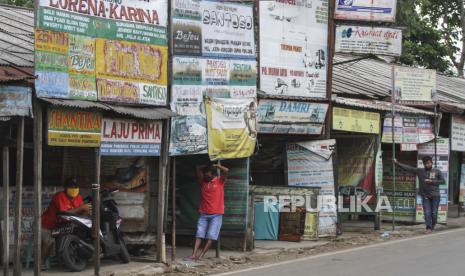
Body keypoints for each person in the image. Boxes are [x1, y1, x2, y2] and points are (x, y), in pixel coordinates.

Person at [41, 178, 91, 270]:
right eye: (71, 187)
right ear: (65, 188)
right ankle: (41, 263)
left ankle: (71, 258)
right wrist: (81, 208)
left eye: (76, 187)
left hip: (62, 225)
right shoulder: (59, 196)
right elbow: (64, 213)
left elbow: (80, 213)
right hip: (47, 225)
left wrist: (86, 211)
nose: (74, 189)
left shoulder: (79, 198)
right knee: (49, 242)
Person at [393, 156, 445, 233]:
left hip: (435, 196)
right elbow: (409, 168)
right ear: (423, 164)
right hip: (425, 195)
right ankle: (428, 228)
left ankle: (432, 225)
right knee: (427, 212)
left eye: (429, 163)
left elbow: (443, 181)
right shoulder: (420, 171)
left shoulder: (437, 171)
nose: (427, 165)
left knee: (434, 213)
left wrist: (432, 182)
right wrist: (397, 163)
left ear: (431, 162)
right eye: (426, 163)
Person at [189, 163, 229, 260]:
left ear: (213, 175)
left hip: (217, 214)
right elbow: (197, 167)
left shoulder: (220, 181)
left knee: (211, 235)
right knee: (199, 234)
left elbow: (226, 171)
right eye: (205, 174)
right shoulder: (202, 181)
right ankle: (193, 255)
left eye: (208, 174)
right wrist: (207, 167)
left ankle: (201, 255)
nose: (206, 176)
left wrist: (218, 166)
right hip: (203, 213)